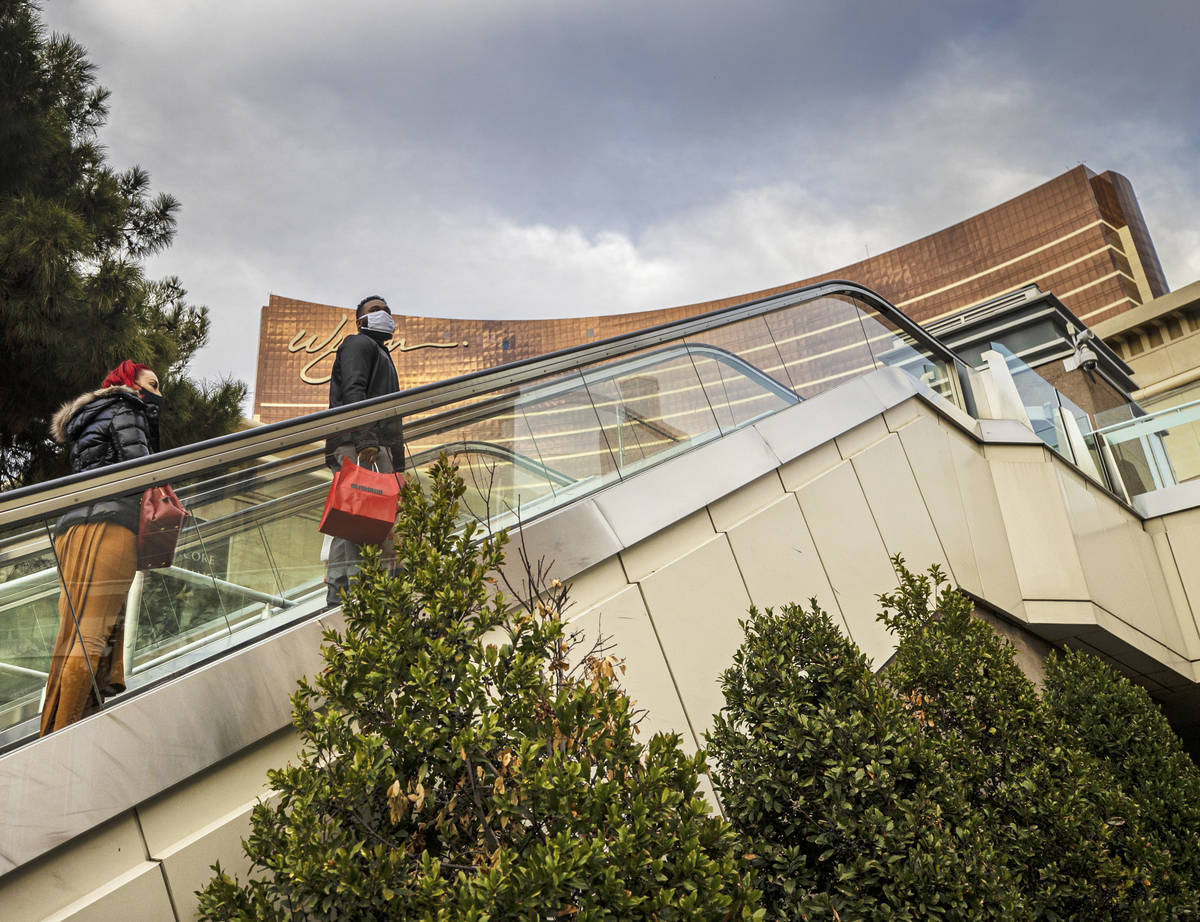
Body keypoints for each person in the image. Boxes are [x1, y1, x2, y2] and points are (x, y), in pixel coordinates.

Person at [40, 360, 163, 735]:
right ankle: (59, 741)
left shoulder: (90, 417)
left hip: (71, 531)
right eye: (153, 384)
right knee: (92, 636)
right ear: (131, 383)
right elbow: (140, 469)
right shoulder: (129, 408)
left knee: (71, 638)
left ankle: (62, 728)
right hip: (111, 525)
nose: (159, 393)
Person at [325, 295, 405, 605]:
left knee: (353, 517)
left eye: (386, 310)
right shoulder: (359, 344)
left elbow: (393, 415)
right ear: (360, 320)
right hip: (358, 443)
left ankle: (341, 590)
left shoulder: (381, 353)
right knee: (357, 518)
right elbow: (354, 391)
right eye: (375, 310)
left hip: (372, 443)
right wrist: (366, 439)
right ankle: (353, 592)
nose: (383, 314)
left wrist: (398, 466)